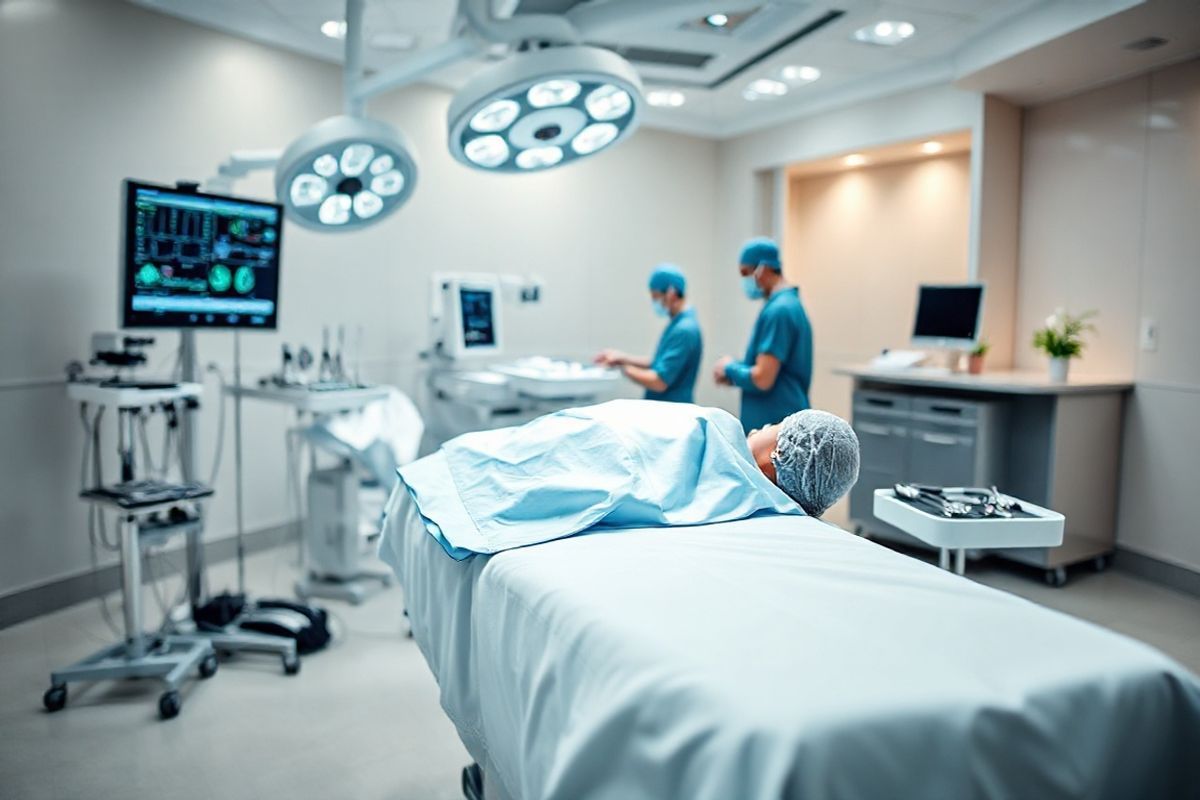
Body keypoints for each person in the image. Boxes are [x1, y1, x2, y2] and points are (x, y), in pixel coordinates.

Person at [394, 399, 859, 559]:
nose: (762, 426)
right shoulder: (760, 501)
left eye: (777, 426)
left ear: (779, 458)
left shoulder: (720, 440)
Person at [714, 237, 814, 432]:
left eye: (746, 273)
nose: (745, 281)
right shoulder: (787, 305)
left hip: (775, 427)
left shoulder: (779, 310)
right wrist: (737, 373)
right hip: (779, 424)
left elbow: (763, 378)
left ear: (764, 268)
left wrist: (729, 368)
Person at [595, 264, 702, 403]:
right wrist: (622, 358)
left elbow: (659, 382)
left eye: (656, 297)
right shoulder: (678, 324)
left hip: (673, 413)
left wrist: (623, 368)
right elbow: (660, 363)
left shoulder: (684, 330)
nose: (654, 302)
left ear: (671, 293)